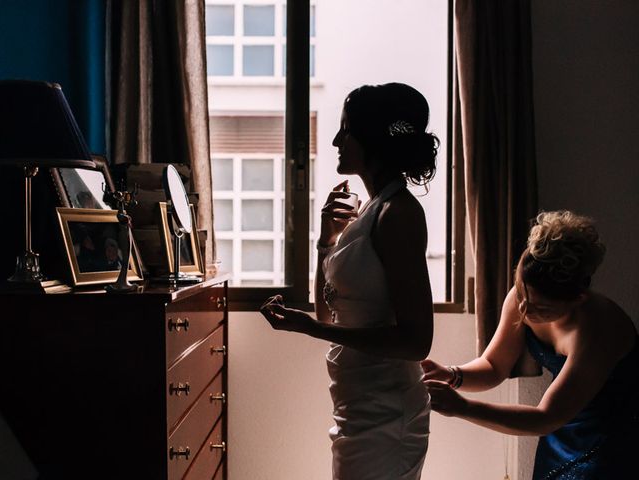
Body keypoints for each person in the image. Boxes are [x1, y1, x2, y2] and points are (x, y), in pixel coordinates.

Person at [260, 82, 439, 479]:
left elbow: (416, 342)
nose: (338, 139)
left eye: (346, 129)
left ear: (373, 138)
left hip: (388, 411)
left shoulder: (399, 215)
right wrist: (326, 241)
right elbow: (331, 312)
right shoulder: (370, 213)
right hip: (357, 402)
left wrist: (311, 329)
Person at [422, 210, 639, 479]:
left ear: (578, 298)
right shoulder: (524, 296)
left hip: (607, 443)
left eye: (541, 307)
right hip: (559, 434)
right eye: (521, 293)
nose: (523, 309)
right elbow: (493, 366)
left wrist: (463, 408)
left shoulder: (600, 329)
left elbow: (545, 417)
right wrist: (453, 375)